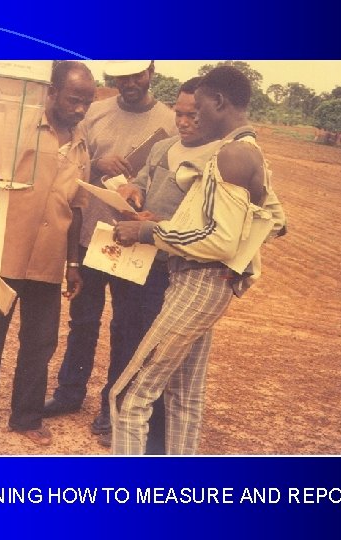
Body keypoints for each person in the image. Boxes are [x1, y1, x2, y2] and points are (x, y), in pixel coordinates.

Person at [110, 66, 287, 455]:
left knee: (129, 397)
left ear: (219, 102)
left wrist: (149, 233)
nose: (194, 116)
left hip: (194, 284)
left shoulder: (231, 154)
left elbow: (220, 241)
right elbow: (275, 221)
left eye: (200, 107)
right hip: (213, 286)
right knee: (184, 398)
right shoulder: (251, 151)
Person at [0, 61, 96, 447]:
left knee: (40, 342)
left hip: (49, 263)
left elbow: (77, 208)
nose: (80, 109)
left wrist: (72, 264)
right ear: (51, 92)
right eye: (74, 99)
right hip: (5, 254)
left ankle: (26, 417)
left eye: (87, 101)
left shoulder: (82, 144)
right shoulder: (13, 126)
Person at [43, 61, 177, 442]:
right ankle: (68, 394)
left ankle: (112, 409)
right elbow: (71, 167)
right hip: (90, 234)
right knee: (83, 321)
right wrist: (96, 165)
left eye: (138, 75)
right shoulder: (95, 112)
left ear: (151, 70)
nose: (130, 83)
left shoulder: (168, 122)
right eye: (123, 76)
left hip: (132, 240)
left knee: (126, 328)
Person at [94, 76, 222, 450]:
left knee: (162, 357)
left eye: (192, 116)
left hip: (177, 273)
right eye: (179, 114)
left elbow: (204, 224)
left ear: (212, 113)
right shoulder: (164, 148)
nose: (182, 122)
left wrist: (157, 226)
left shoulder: (219, 160)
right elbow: (145, 185)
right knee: (124, 336)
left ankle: (155, 441)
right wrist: (133, 192)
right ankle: (113, 416)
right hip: (138, 264)